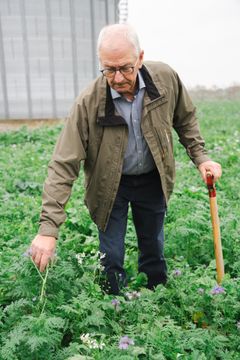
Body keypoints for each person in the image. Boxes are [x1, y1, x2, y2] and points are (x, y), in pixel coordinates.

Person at [29, 23, 222, 295]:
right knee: (111, 256)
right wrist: (48, 229)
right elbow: (63, 164)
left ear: (140, 58)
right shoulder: (88, 103)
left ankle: (156, 303)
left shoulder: (164, 79)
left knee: (153, 249)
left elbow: (185, 118)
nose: (117, 78)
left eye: (125, 68)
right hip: (110, 187)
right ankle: (113, 309)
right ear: (100, 63)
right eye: (109, 69)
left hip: (152, 180)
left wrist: (201, 157)